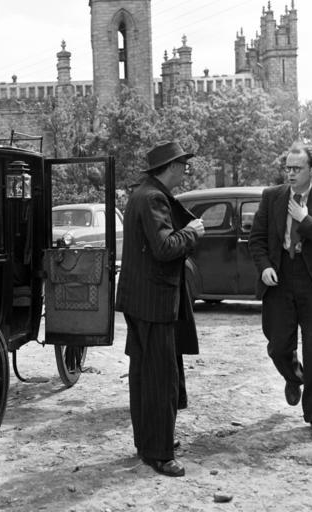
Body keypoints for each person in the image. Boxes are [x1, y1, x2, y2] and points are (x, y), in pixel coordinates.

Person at [116, 140, 205, 477]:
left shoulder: (142, 194)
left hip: (141, 301)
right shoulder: (154, 197)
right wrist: (191, 233)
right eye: (184, 165)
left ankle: (149, 443)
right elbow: (165, 247)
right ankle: (160, 454)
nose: (186, 171)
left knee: (144, 377)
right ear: (171, 167)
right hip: (154, 303)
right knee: (161, 379)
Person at [249, 142, 312, 439]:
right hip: (279, 278)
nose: (291, 174)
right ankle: (294, 376)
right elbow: (256, 239)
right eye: (288, 168)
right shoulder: (272, 197)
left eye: (297, 168)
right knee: (278, 346)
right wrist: (264, 267)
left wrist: (305, 220)